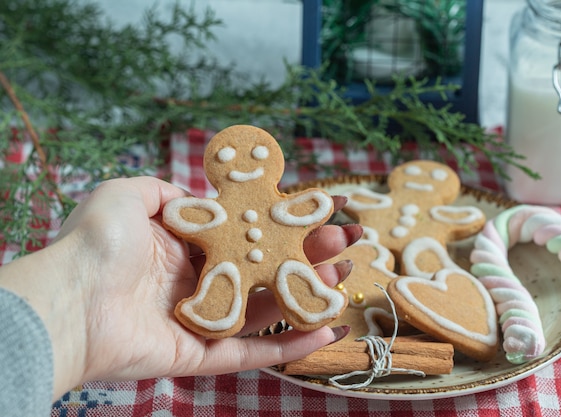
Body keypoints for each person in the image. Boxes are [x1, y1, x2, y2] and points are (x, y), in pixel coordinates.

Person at [0, 176, 361, 417]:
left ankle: (305, 301)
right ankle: (214, 312)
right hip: (228, 263)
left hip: (282, 257)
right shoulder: (222, 209)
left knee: (288, 276)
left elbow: (306, 206)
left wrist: (76, 320)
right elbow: (196, 214)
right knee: (226, 283)